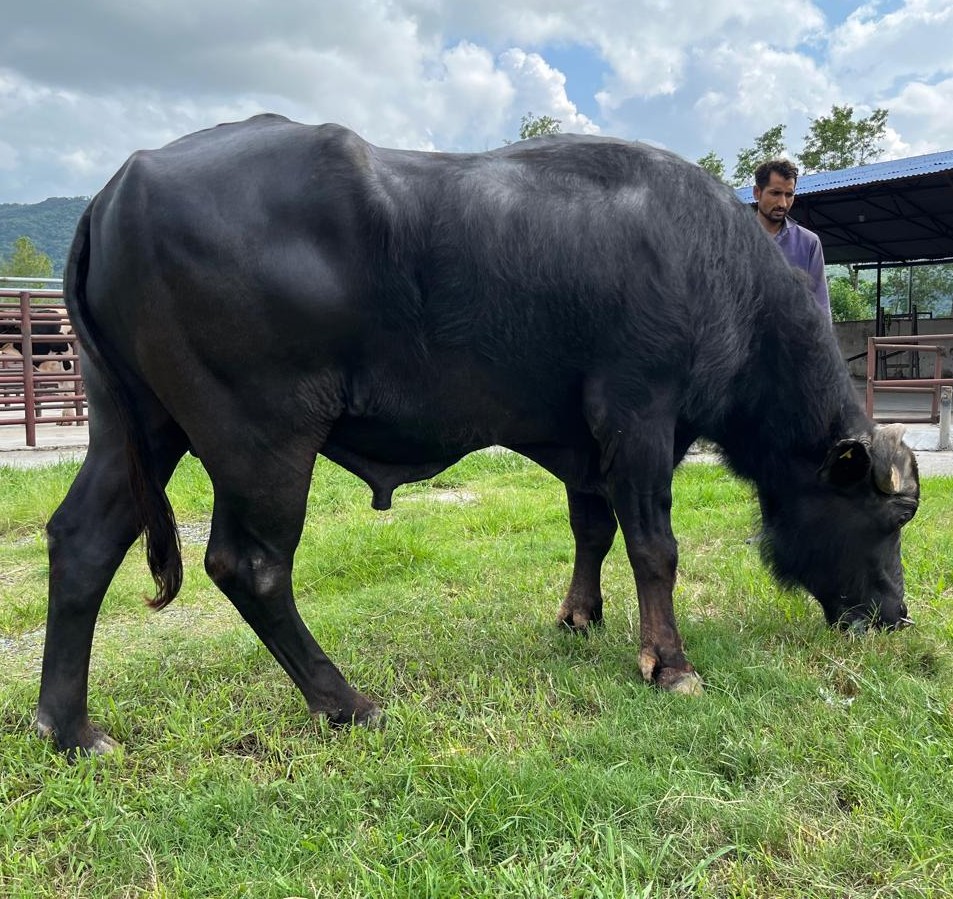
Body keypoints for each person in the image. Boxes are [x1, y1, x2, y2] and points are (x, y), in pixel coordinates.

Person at [752, 158, 831, 318]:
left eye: (789, 195)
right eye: (775, 193)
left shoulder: (809, 242)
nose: (782, 203)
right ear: (757, 192)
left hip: (793, 332)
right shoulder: (733, 240)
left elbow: (820, 303)